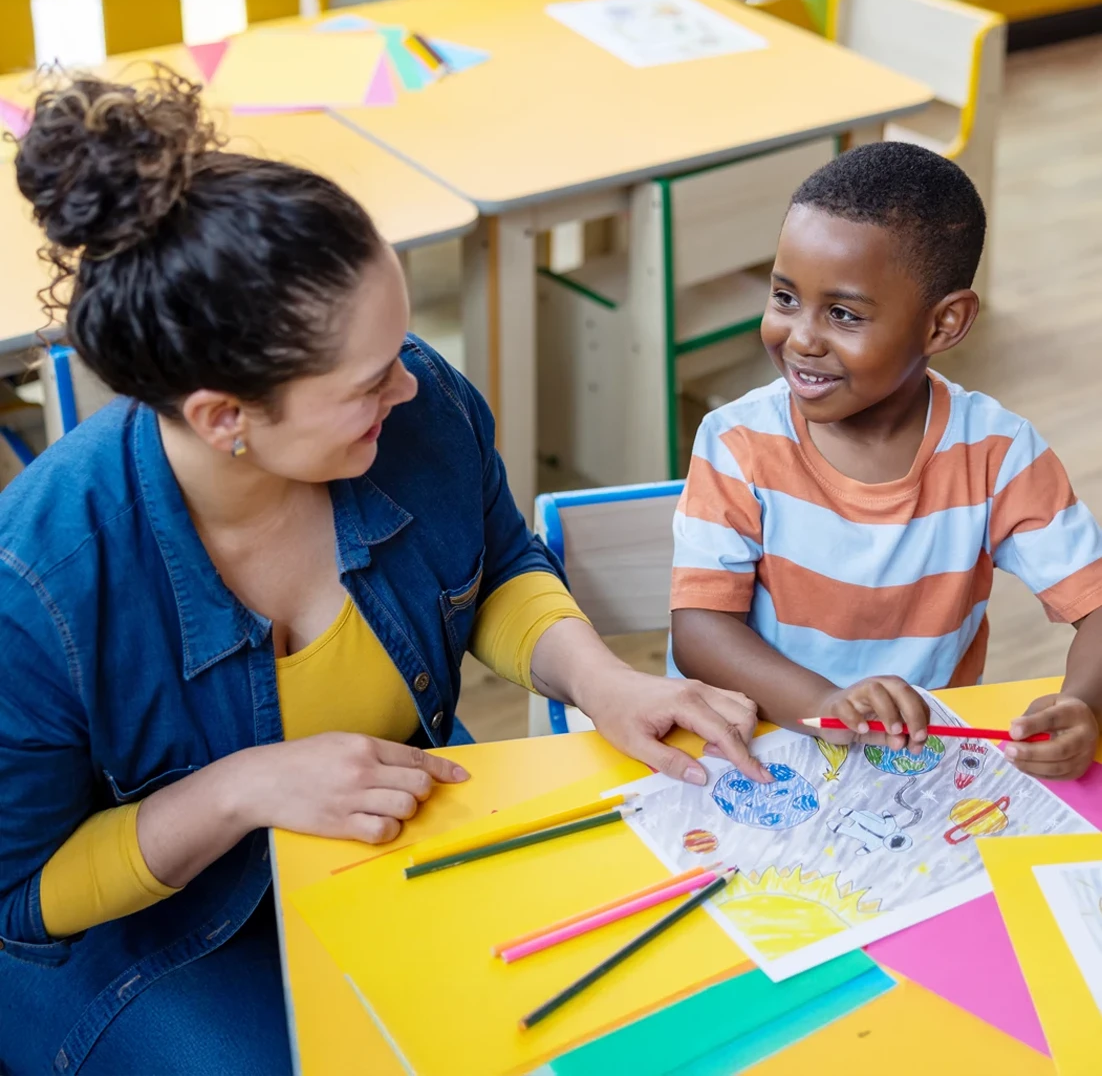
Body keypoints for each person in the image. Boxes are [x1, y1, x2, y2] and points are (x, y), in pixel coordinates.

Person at [0, 70, 767, 1076]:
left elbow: (494, 562)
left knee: (613, 1012)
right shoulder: (41, 579)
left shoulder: (416, 403)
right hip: (152, 935)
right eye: (368, 382)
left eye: (400, 346)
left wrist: (602, 680)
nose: (410, 383)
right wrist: (242, 790)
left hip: (378, 831)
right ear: (226, 416)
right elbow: (23, 898)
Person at [669, 141, 1102, 781]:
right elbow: (700, 630)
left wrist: (1082, 703)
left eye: (843, 314)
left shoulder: (997, 453)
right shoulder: (738, 441)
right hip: (759, 746)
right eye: (785, 298)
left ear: (944, 324)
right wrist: (824, 705)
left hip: (914, 768)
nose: (801, 338)